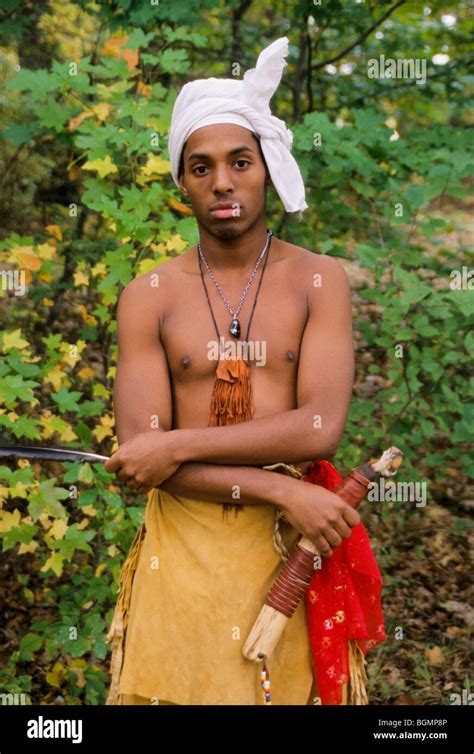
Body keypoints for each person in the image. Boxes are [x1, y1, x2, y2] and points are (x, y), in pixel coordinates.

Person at [104, 38, 385, 706]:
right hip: (184, 548)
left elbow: (317, 429)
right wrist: (285, 491)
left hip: (289, 552)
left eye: (239, 162)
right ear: (182, 182)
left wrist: (175, 443)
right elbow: (142, 458)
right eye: (200, 167)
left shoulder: (319, 280)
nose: (222, 182)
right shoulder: (149, 296)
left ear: (268, 168)